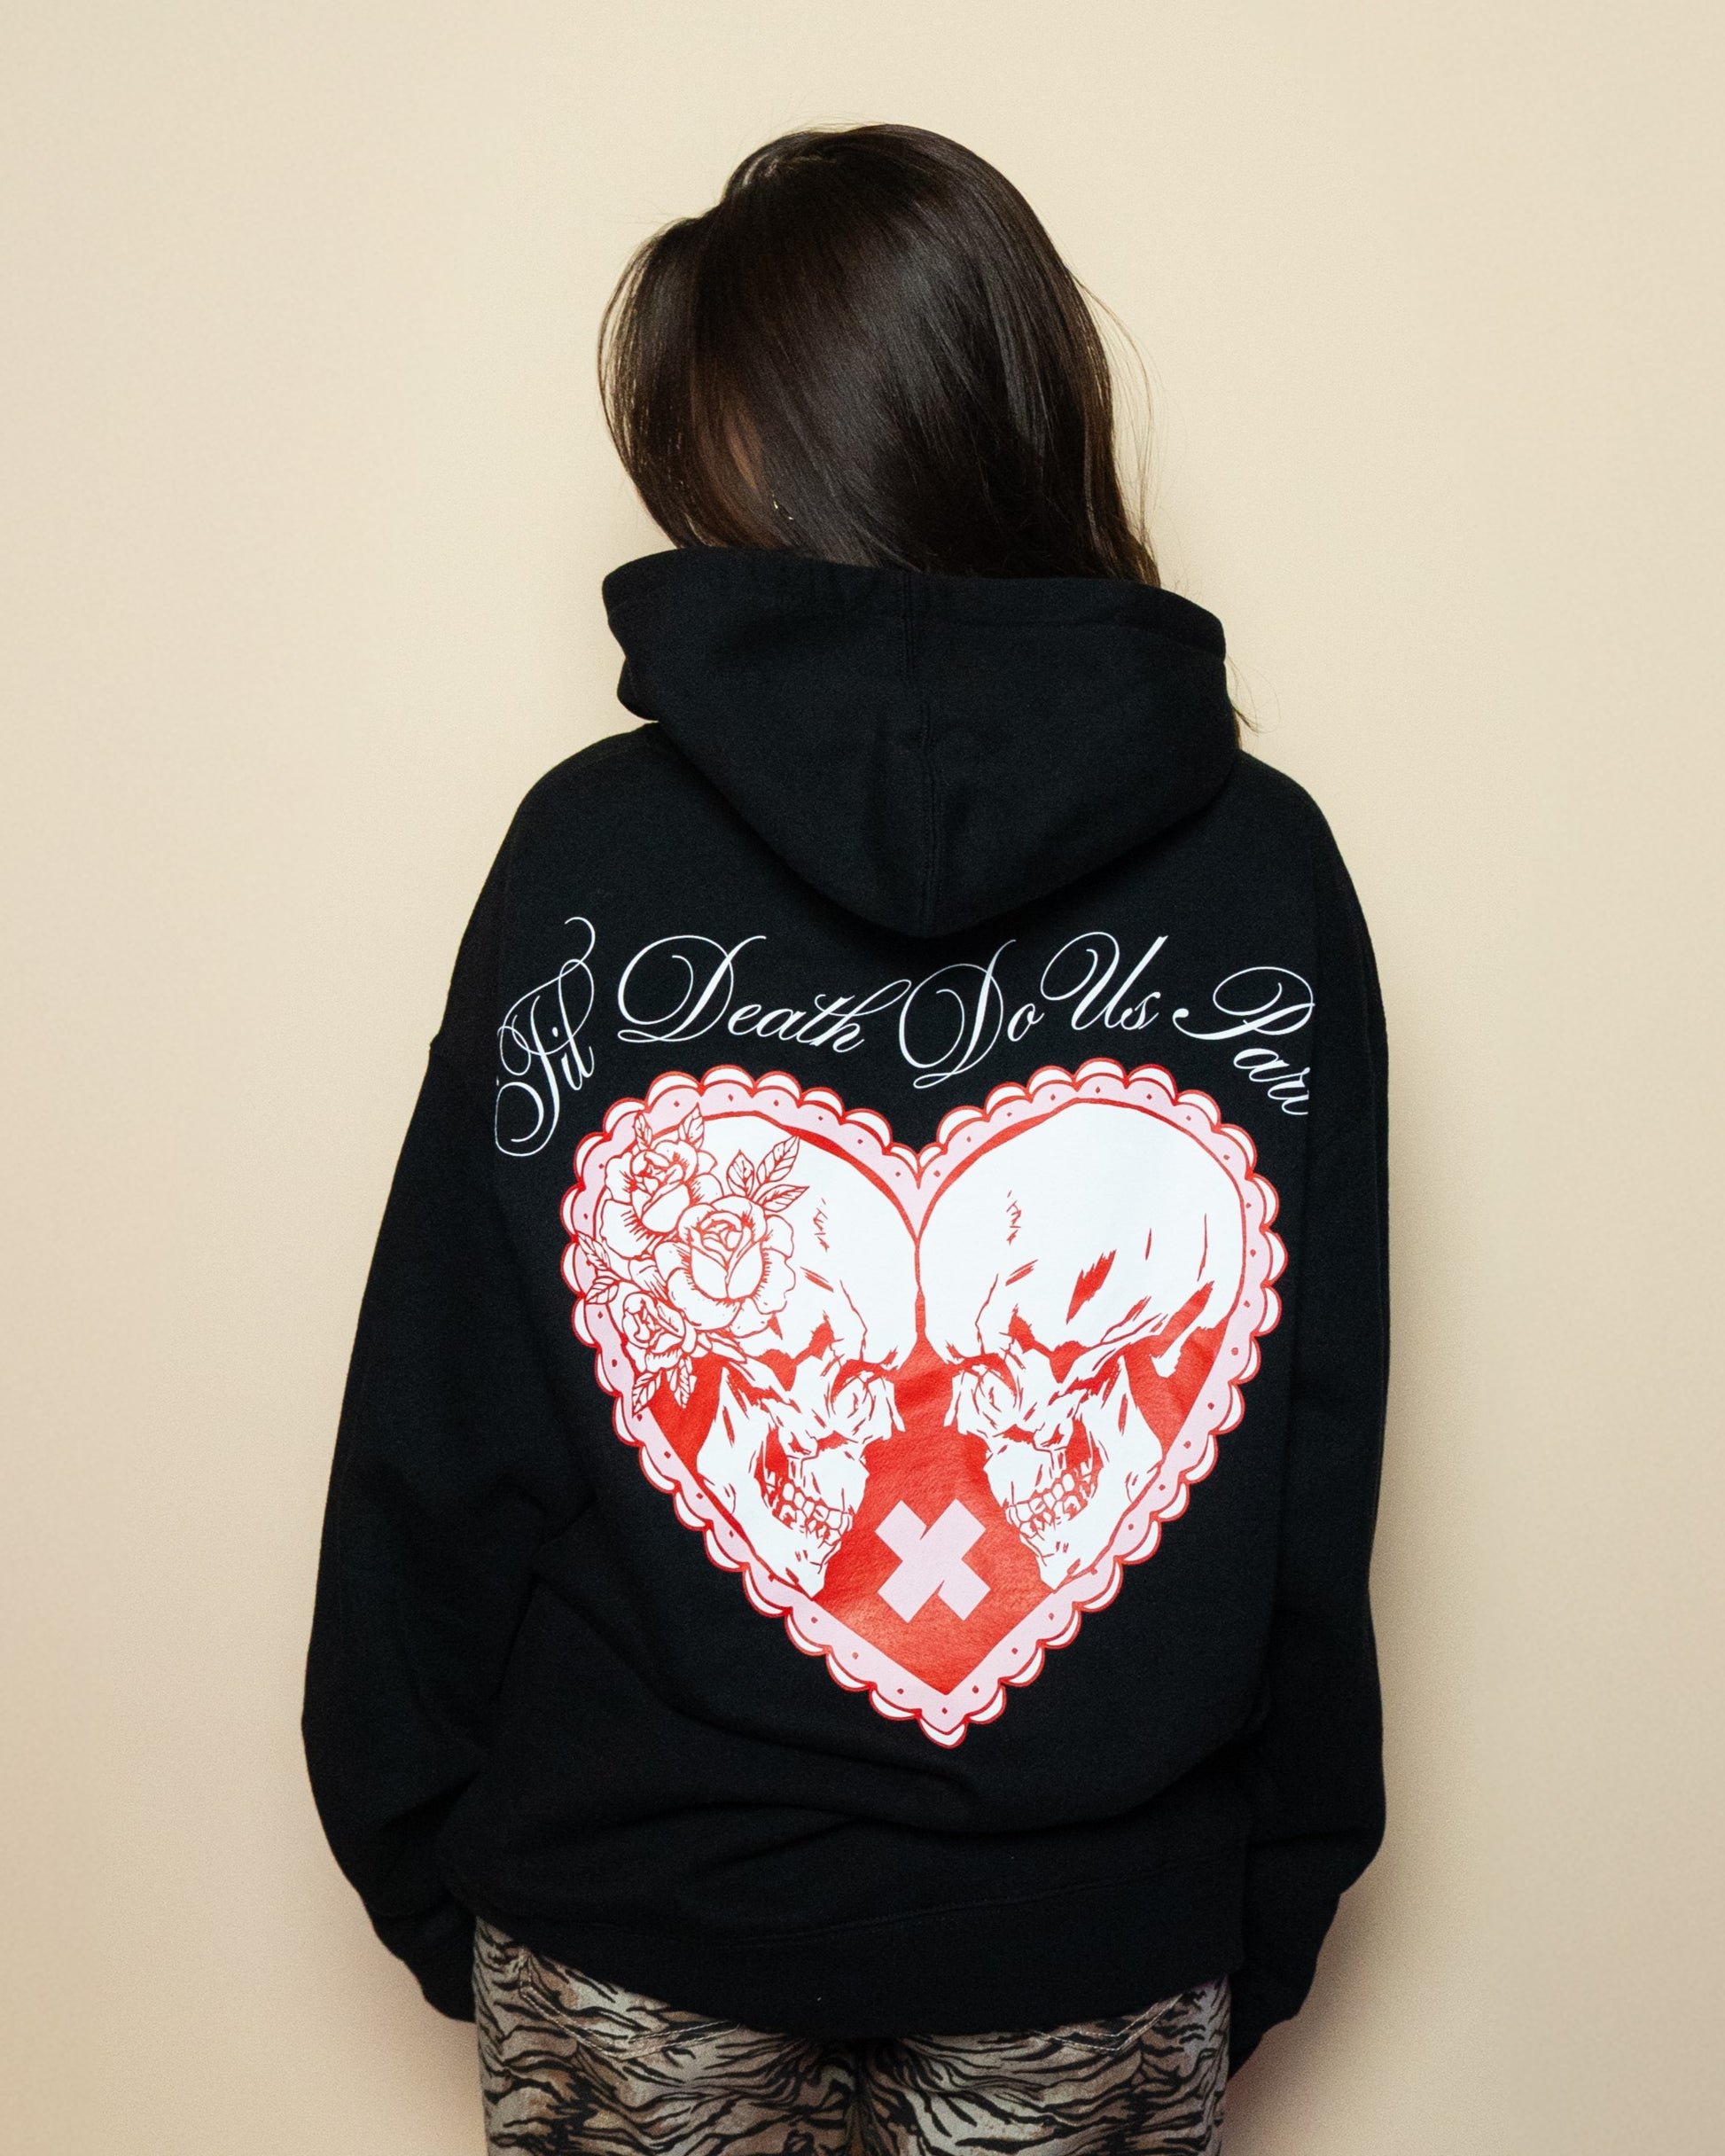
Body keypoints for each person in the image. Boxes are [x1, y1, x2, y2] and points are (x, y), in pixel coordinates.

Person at [303, 123, 1388, 2156]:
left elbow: (446, 1416)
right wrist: (1262, 1900)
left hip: (630, 1907)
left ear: (737, 452)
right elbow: (1311, 1447)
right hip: (1096, 1929)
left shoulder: (589, 853)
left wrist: (427, 1847)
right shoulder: (1265, 869)